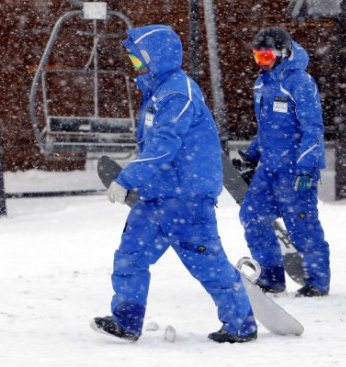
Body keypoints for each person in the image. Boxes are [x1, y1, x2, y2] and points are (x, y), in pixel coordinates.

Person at [90, 25, 257, 343]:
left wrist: (127, 178)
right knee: (130, 256)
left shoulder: (177, 92)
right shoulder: (157, 91)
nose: (135, 66)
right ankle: (126, 321)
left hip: (187, 197)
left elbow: (164, 145)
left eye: (138, 60)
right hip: (158, 195)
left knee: (207, 264)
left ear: (156, 58)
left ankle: (240, 324)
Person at [236, 27, 331, 297]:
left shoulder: (299, 82)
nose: (261, 63)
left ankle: (317, 281)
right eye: (257, 57)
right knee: (252, 216)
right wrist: (252, 156)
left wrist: (307, 166)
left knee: (302, 224)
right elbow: (268, 128)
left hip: (295, 169)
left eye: (266, 57)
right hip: (269, 167)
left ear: (283, 53)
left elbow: (312, 128)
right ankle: (271, 275)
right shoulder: (263, 84)